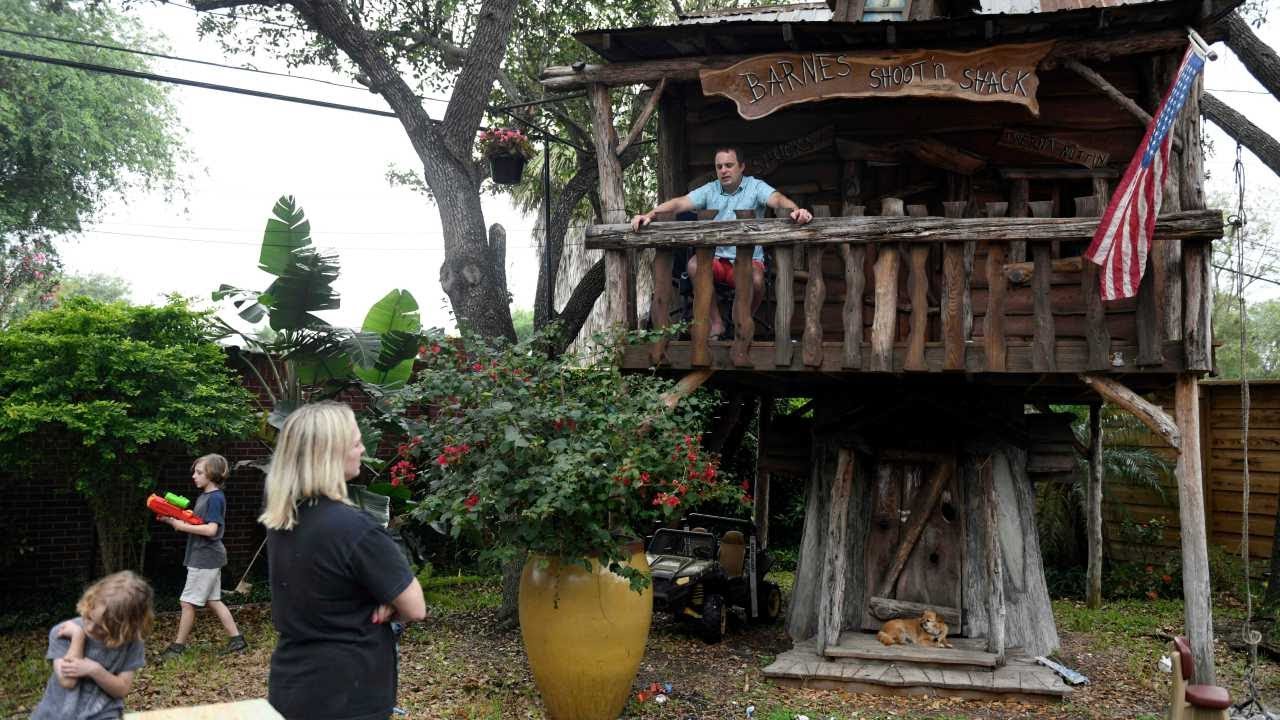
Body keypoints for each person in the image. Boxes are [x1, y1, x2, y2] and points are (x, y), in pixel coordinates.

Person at [261, 401, 427, 720]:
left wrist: (387, 599)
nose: (363, 449)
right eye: (356, 442)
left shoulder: (283, 519)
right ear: (331, 454)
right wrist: (391, 603)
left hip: (291, 687)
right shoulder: (355, 528)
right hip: (348, 695)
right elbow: (416, 607)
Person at [630, 146, 814, 339]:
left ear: (741, 167)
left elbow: (777, 199)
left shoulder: (755, 187)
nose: (724, 170)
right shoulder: (710, 190)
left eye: (729, 165)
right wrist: (650, 214)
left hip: (748, 262)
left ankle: (742, 319)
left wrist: (796, 210)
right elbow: (680, 203)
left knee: (757, 280)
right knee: (694, 265)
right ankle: (717, 323)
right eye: (719, 167)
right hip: (716, 260)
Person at [156, 453, 247, 660]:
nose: (194, 476)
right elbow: (197, 525)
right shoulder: (206, 496)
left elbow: (211, 530)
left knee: (187, 603)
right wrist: (172, 520)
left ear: (212, 474)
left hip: (205, 557)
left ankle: (177, 648)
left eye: (199, 472)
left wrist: (182, 525)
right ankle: (237, 640)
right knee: (213, 600)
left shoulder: (214, 498)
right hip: (207, 556)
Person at [32, 571, 153, 720]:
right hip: (55, 714)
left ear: (124, 628)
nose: (90, 628)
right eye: (88, 618)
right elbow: (67, 681)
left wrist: (94, 670)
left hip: (103, 715)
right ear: (89, 603)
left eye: (102, 628)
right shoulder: (64, 632)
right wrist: (78, 637)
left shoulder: (131, 642)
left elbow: (122, 689)